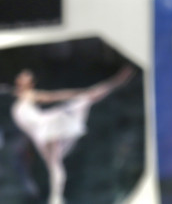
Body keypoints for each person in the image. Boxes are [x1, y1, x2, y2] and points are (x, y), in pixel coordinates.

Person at [5, 65, 134, 204]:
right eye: (21, 75)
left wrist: (77, 93)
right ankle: (56, 198)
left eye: (25, 76)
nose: (21, 77)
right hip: (38, 132)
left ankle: (56, 199)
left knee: (85, 99)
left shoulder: (30, 95)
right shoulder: (14, 94)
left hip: (47, 125)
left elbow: (55, 96)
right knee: (54, 165)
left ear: (30, 83)